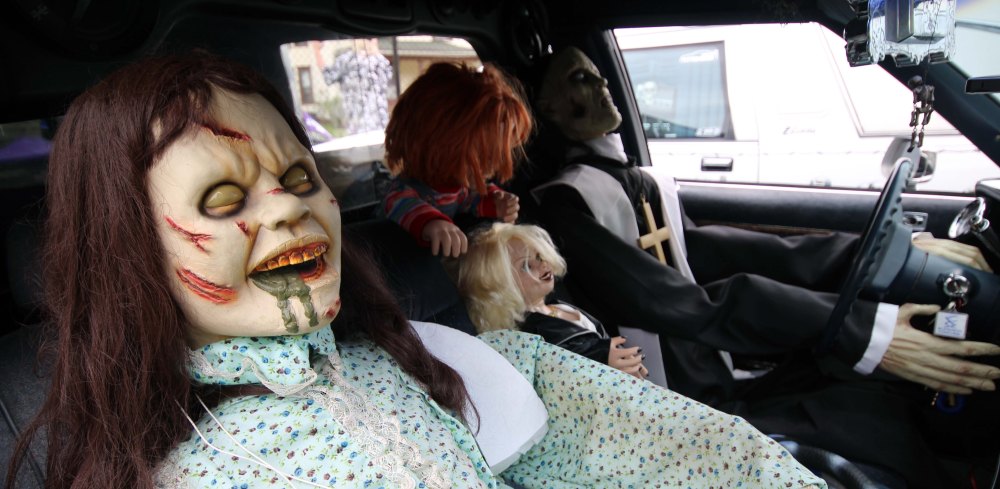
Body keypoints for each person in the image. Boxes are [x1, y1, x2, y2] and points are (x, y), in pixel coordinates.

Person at [5, 51, 825, 489]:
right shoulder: (210, 465)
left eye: (300, 178)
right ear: (132, 255)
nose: (288, 209)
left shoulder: (389, 352)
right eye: (223, 200)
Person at [521, 45, 1000, 488]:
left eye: (599, 74)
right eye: (580, 79)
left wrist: (866, 256)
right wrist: (858, 331)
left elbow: (717, 251)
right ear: (550, 109)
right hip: (672, 399)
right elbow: (670, 300)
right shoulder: (564, 204)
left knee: (877, 400)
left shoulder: (642, 180)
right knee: (868, 428)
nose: (602, 85)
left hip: (713, 368)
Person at [454, 222, 648, 378]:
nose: (543, 264)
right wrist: (603, 358)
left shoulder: (559, 306)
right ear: (501, 286)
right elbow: (559, 366)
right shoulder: (529, 335)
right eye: (527, 265)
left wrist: (625, 360)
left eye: (539, 256)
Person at [379, 62, 524, 258]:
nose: (492, 167)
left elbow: (470, 199)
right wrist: (433, 223)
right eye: (482, 156)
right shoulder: (402, 193)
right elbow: (402, 206)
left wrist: (494, 202)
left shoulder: (457, 188)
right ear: (443, 144)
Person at [322, 38, 393, 135]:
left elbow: (328, 77)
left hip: (368, 125)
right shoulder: (381, 61)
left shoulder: (381, 61)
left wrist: (317, 51)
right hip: (366, 126)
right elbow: (329, 77)